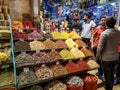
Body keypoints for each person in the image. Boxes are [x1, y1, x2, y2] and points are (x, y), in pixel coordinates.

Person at [96, 16, 120, 90]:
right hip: (116, 57)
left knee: (107, 76)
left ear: (106, 23)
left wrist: (97, 56)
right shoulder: (118, 32)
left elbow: (100, 48)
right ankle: (111, 87)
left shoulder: (104, 33)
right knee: (112, 74)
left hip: (106, 59)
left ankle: (108, 88)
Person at [91, 16, 106, 81]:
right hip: (96, 47)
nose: (103, 21)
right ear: (100, 21)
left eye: (104, 20)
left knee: (102, 61)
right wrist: (92, 45)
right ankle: (99, 72)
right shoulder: (97, 28)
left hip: (104, 48)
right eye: (102, 20)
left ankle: (100, 73)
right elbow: (92, 37)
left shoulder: (108, 29)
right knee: (98, 61)